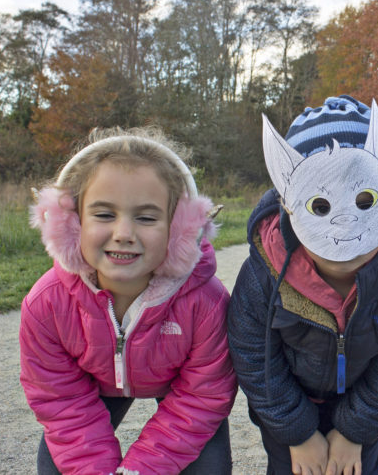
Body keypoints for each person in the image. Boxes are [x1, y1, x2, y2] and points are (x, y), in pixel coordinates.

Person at [228, 95, 378, 475]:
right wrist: (296, 432)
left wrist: (356, 431)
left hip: (362, 408)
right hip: (288, 411)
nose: (345, 227)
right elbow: (254, 359)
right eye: (320, 207)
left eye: (364, 200)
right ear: (288, 205)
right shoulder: (263, 276)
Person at [20, 127, 236, 475]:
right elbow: (61, 400)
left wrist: (142, 469)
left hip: (180, 391)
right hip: (92, 386)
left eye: (147, 218)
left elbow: (203, 396)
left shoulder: (206, 303)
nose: (123, 234)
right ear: (69, 224)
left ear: (182, 229)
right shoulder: (47, 304)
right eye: (104, 214)